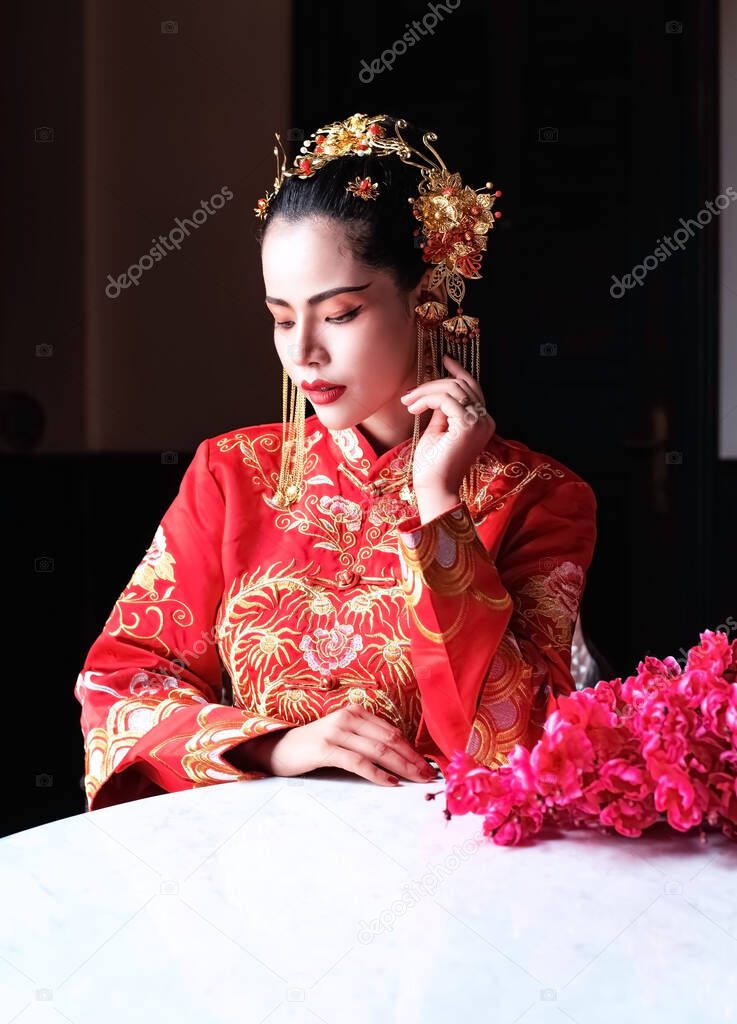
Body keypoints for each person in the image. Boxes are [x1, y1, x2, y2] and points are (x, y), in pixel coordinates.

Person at [75, 113, 597, 811]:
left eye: (341, 312)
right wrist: (272, 745)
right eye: (282, 318)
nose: (304, 353)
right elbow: (120, 685)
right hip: (254, 856)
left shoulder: (539, 497)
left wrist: (440, 506)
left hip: (448, 869)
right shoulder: (230, 475)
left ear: (426, 299)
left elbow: (519, 748)